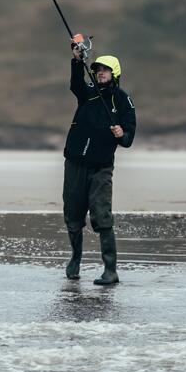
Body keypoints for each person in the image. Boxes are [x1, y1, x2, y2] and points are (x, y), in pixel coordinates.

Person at [62, 43, 136, 284]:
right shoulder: (88, 91)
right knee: (72, 214)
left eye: (105, 70)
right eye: (97, 69)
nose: (100, 72)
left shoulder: (123, 100)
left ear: (114, 73)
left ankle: (110, 270)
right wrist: (76, 61)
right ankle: (75, 259)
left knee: (101, 216)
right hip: (75, 162)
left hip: (101, 166)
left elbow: (128, 139)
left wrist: (120, 134)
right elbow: (75, 84)